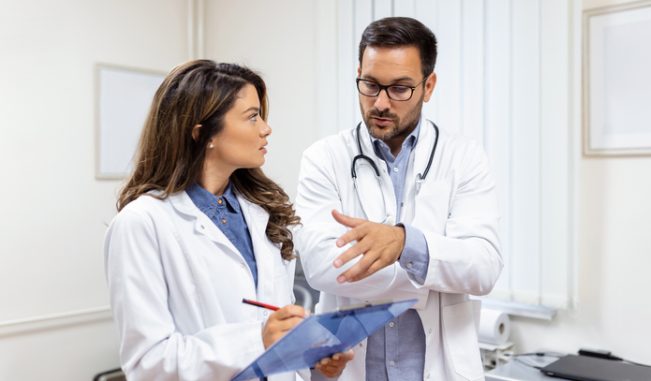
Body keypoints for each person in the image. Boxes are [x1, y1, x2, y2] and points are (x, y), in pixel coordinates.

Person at [104, 60, 352, 381]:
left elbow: (279, 334)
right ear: (203, 134)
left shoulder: (263, 212)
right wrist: (257, 340)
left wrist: (314, 361)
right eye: (252, 117)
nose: (266, 128)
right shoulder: (142, 224)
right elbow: (148, 363)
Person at [294, 17, 503, 381]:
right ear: (358, 73)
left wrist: (405, 243)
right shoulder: (323, 158)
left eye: (400, 89)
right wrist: (430, 266)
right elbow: (323, 268)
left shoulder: (465, 158)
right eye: (370, 85)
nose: (381, 103)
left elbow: (484, 268)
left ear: (429, 85)